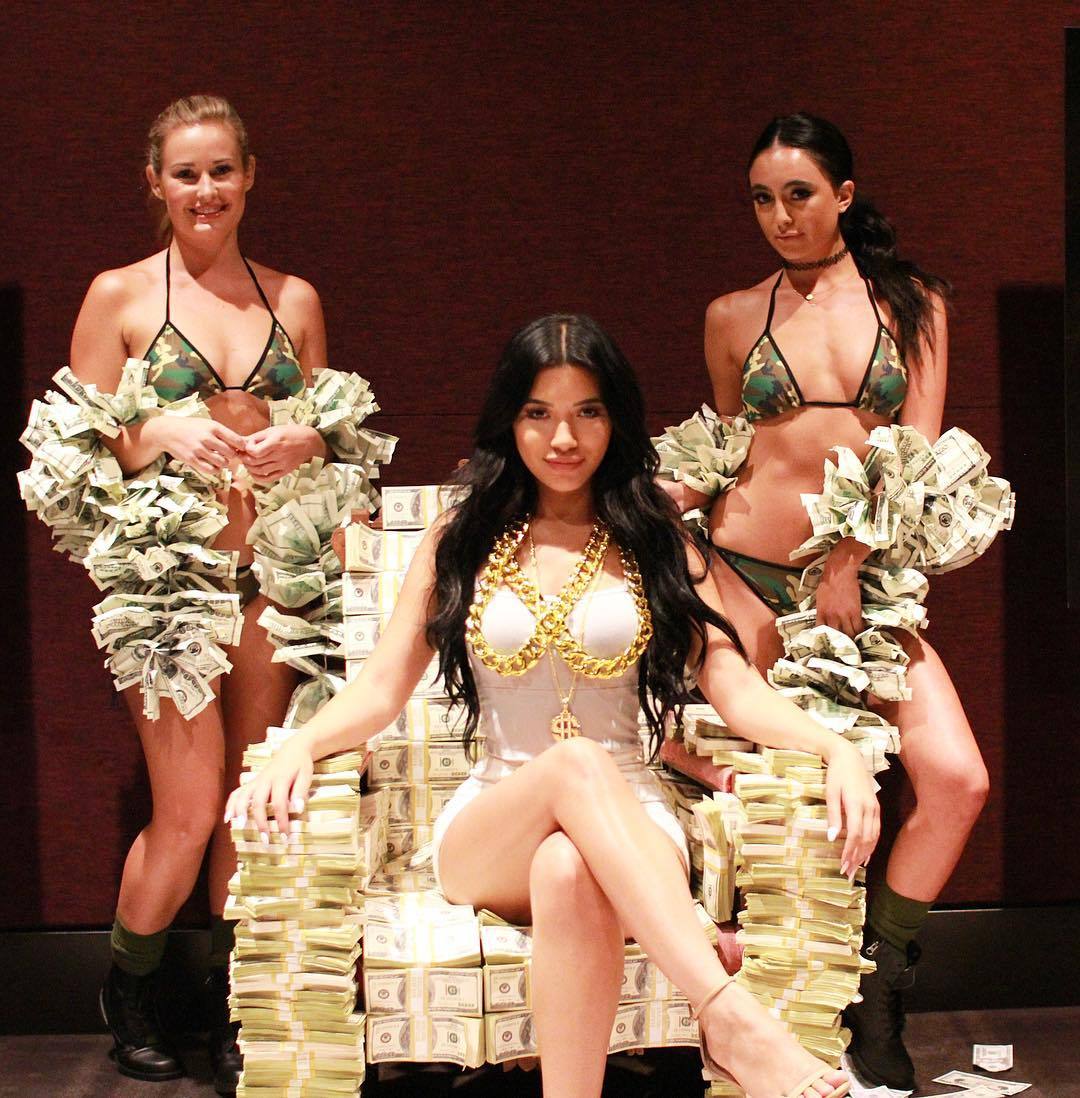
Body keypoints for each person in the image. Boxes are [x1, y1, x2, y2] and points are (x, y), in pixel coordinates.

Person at [226, 313, 879, 1098]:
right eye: (539, 412)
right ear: (510, 418)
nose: (562, 438)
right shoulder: (461, 539)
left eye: (586, 412)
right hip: (491, 822)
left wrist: (837, 748)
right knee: (574, 766)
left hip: (636, 822)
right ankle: (728, 1018)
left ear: (615, 420)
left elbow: (733, 686)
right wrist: (301, 743)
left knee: (568, 866)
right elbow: (379, 686)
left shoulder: (655, 539)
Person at [665, 113, 983, 1094]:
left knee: (956, 779)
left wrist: (848, 559)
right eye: (762, 199)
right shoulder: (734, 315)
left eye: (799, 194)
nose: (780, 216)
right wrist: (664, 513)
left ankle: (878, 989)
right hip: (743, 572)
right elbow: (726, 449)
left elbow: (916, 456)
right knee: (776, 800)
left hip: (861, 586)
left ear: (843, 195)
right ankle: (772, 1022)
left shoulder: (915, 306)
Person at [70, 95, 330, 1092]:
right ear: (156, 183)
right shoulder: (121, 297)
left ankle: (233, 1000)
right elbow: (72, 449)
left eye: (222, 170)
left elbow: (335, 437)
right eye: (186, 174)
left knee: (245, 808)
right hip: (168, 590)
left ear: (249, 175)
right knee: (184, 811)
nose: (206, 190)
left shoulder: (293, 299)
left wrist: (308, 439)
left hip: (270, 580)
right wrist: (156, 432)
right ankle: (129, 988)